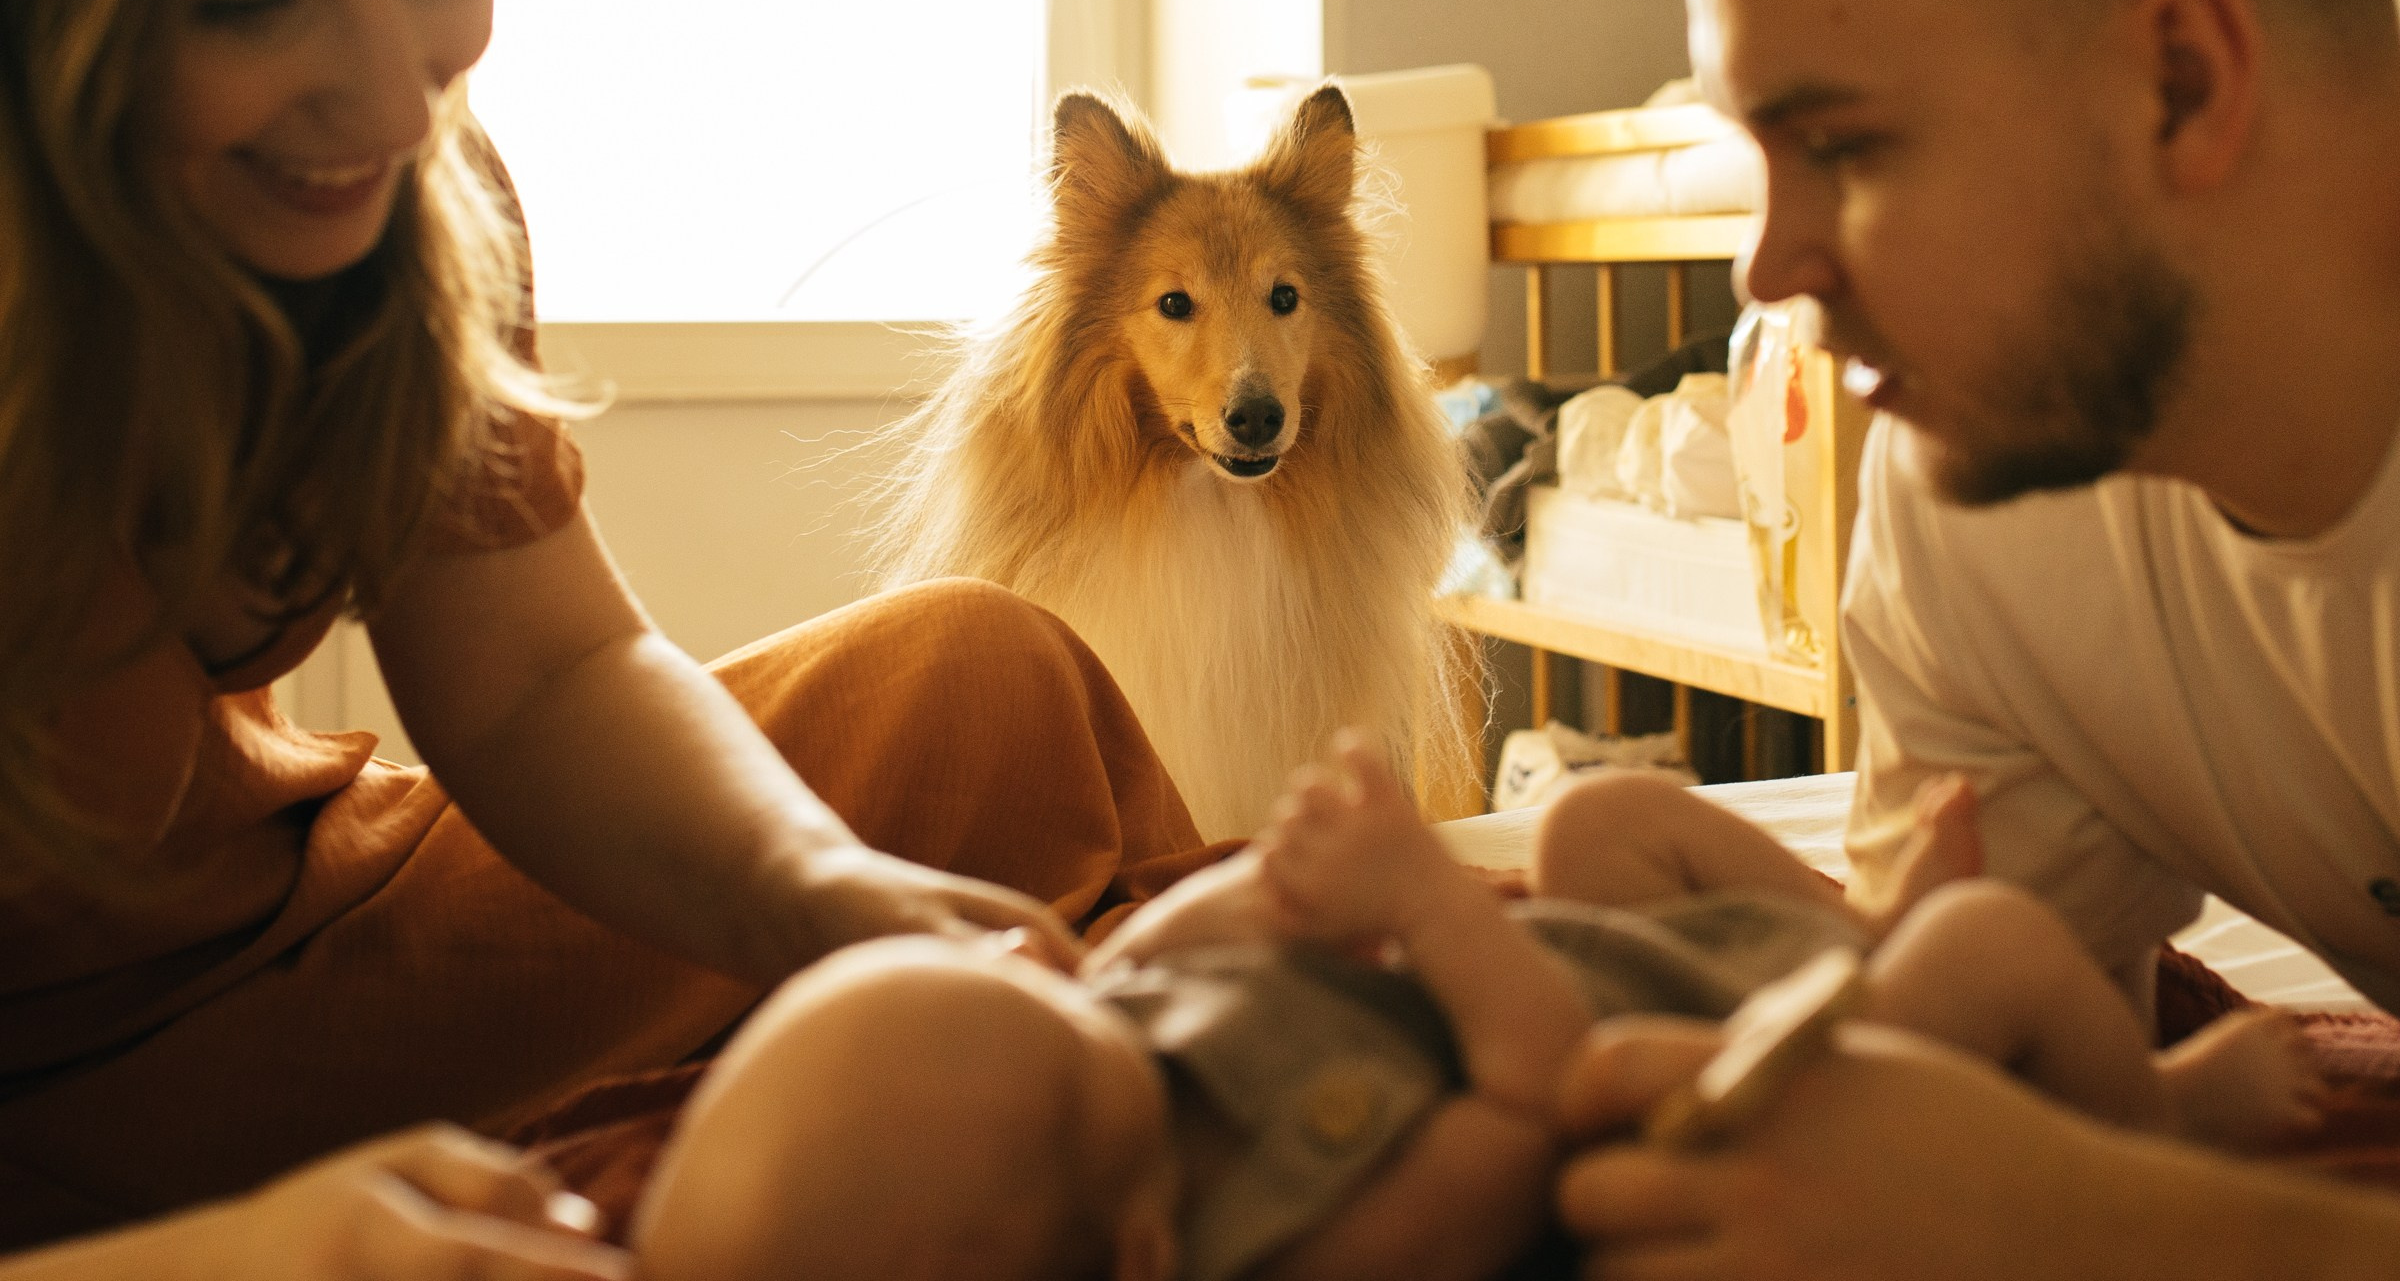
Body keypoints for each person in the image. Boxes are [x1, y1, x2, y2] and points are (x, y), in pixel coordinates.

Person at [0, 0, 1218, 1274]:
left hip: (293, 942)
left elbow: (546, 675)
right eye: (249, 5)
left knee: (988, 685)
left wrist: (815, 897)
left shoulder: (413, 195)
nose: (391, 100)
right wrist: (254, 1258)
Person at [1556, 0, 2400, 1273]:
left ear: (2183, 84)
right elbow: (1984, 1062)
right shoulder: (1977, 501)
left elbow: (2041, 1183)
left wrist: (2083, 1219)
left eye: (1850, 148)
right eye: (1764, 158)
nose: (1768, 268)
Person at [622, 742, 2326, 1281]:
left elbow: (1189, 949)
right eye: (1052, 1020)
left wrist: (1269, 889)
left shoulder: (1115, 1052)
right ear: (1141, 1250)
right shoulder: (1313, 1225)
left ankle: (1857, 920)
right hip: (1726, 1068)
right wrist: (1431, 904)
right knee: (2005, 951)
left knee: (1595, 820)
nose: (1056, 972)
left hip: (1627, 959)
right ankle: (2150, 1117)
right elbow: (1539, 1108)